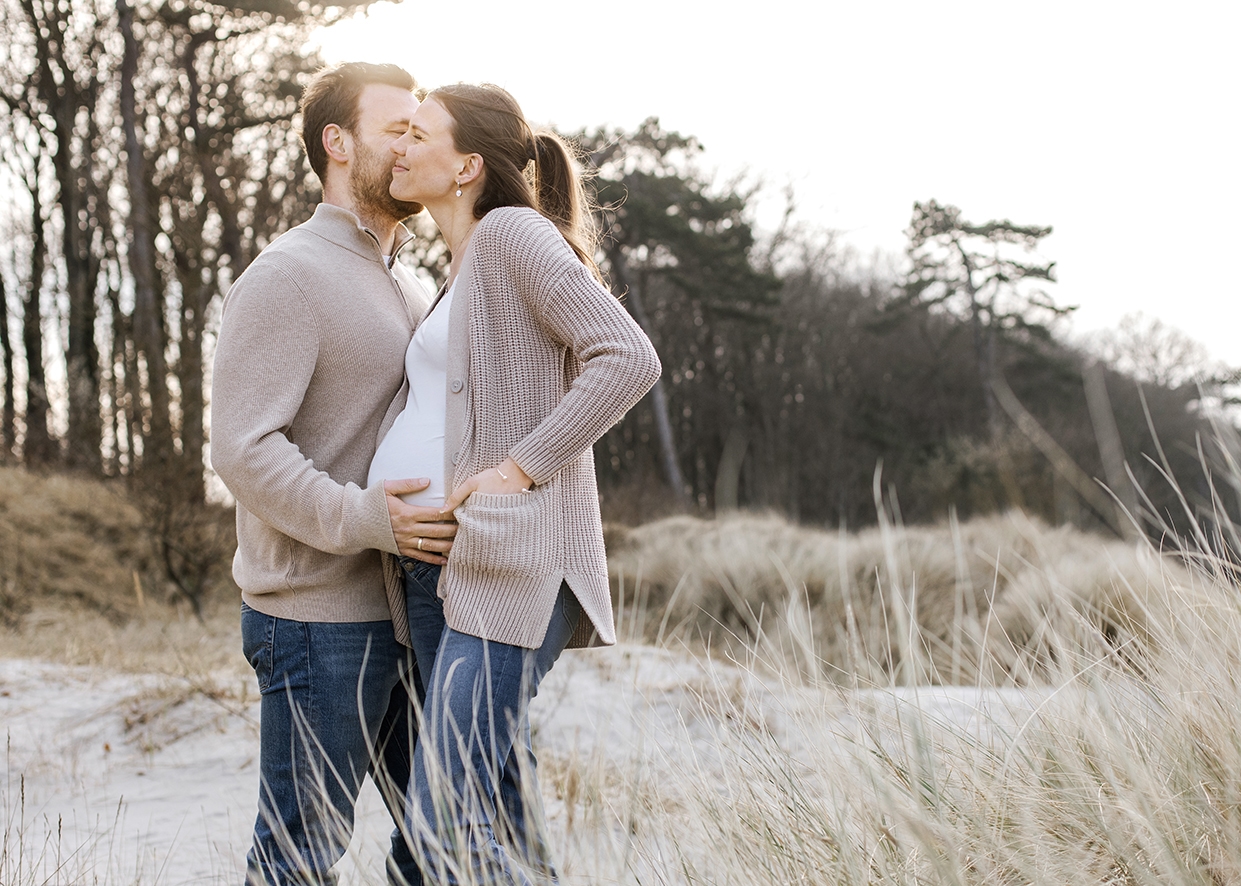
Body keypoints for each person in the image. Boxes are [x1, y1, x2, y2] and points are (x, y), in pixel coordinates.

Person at [367, 83, 661, 885]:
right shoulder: (460, 263)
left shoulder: (511, 233)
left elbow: (627, 357)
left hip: (510, 563)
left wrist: (518, 467)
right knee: (493, 805)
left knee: (441, 823)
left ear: (465, 165)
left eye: (417, 134)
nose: (398, 146)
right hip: (447, 569)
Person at [211, 62, 456, 886]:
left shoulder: (413, 283)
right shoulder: (289, 275)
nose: (412, 145)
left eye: (421, 131)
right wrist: (364, 520)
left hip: (407, 612)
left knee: (442, 843)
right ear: (337, 143)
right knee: (298, 860)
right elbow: (244, 448)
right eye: (397, 129)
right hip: (318, 621)